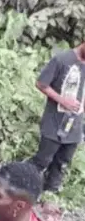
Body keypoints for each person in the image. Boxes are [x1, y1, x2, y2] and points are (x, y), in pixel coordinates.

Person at [29, 45, 85, 193]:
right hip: (54, 123)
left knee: (61, 164)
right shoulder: (62, 59)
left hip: (75, 126)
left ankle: (49, 195)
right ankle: (20, 187)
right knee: (42, 161)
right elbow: (41, 83)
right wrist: (62, 100)